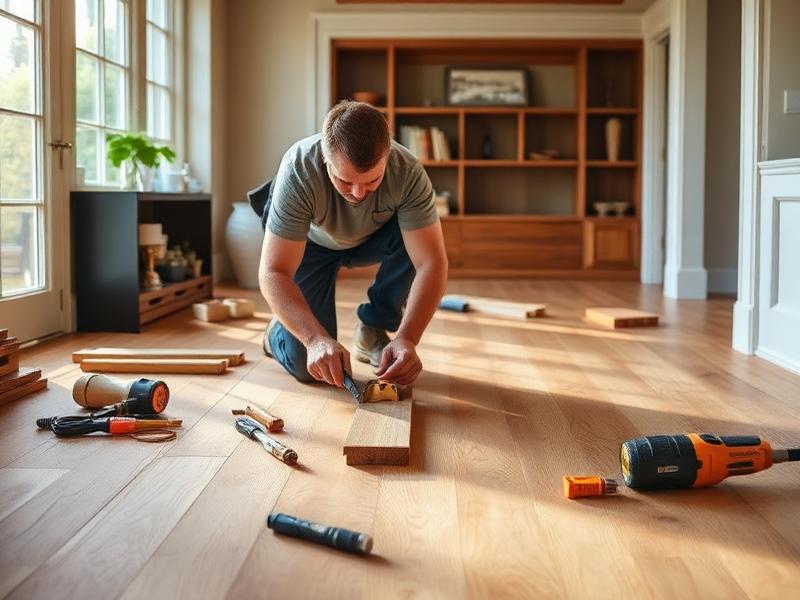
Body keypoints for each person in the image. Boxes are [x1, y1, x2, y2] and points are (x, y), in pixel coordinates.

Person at [255, 100, 448, 389]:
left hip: (371, 240)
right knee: (309, 365)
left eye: (372, 181)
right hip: (309, 246)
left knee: (417, 238)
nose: (358, 193)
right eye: (345, 181)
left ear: (388, 157)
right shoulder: (299, 168)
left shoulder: (407, 171)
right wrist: (314, 339)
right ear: (325, 158)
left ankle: (372, 327)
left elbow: (431, 262)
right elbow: (273, 271)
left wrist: (408, 338)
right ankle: (277, 334)